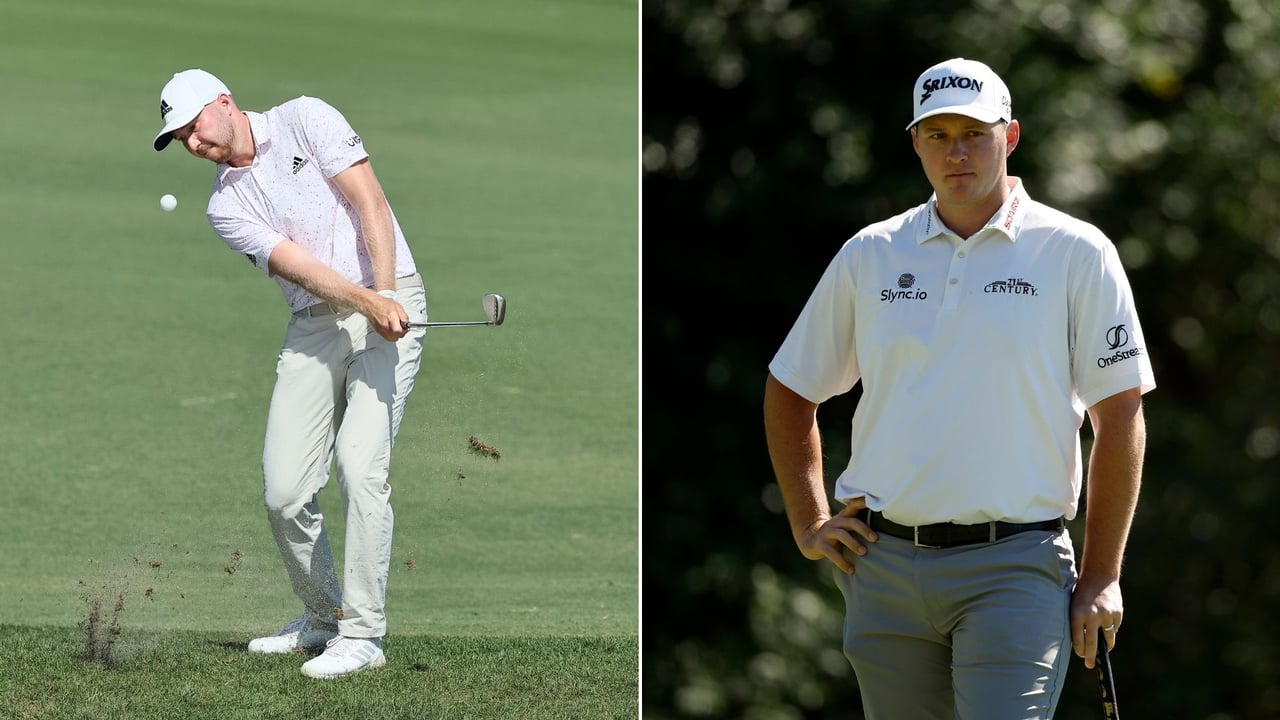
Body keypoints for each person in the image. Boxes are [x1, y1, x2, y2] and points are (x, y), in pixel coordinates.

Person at [763, 57, 1156, 718]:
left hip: (1017, 568)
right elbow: (790, 389)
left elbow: (1119, 417)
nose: (958, 152)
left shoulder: (1075, 252)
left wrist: (1101, 576)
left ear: (1011, 136)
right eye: (938, 134)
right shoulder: (872, 253)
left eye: (975, 133)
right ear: (916, 142)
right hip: (883, 569)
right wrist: (809, 522)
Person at [152, 68, 427, 678]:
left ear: (224, 103)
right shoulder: (225, 205)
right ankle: (325, 617)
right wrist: (364, 303)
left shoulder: (307, 116)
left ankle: (362, 635)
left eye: (193, 127)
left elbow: (370, 201)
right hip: (317, 322)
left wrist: (383, 293)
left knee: (360, 467)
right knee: (284, 490)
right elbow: (299, 267)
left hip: (390, 298)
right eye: (179, 140)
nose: (192, 145)